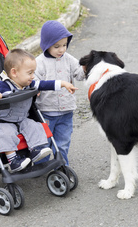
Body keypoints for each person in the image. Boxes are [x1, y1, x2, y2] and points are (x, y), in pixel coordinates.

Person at [0, 49, 78, 172]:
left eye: (33, 73)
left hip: (23, 119)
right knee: (4, 134)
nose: (33, 76)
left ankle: (36, 149)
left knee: (35, 126)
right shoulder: (3, 85)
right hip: (4, 121)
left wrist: (63, 83)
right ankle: (13, 161)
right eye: (30, 73)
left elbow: (45, 84)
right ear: (14, 72)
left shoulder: (29, 84)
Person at [35, 20, 85, 166]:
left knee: (63, 142)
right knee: (44, 143)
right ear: (46, 44)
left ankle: (61, 166)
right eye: (56, 46)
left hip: (66, 110)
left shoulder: (69, 59)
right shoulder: (39, 62)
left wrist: (86, 68)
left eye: (64, 45)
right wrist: (36, 90)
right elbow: (34, 82)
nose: (61, 50)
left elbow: (79, 75)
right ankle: (41, 166)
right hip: (47, 111)